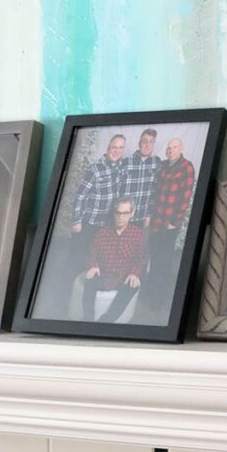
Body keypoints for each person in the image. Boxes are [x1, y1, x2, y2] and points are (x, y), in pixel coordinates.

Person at [137, 138, 195, 317]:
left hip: (170, 224)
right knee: (153, 258)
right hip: (156, 222)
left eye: (174, 148)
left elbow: (185, 198)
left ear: (181, 148)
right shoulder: (162, 165)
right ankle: (150, 291)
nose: (171, 151)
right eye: (168, 148)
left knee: (164, 261)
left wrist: (174, 221)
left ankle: (159, 299)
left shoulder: (187, 167)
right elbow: (155, 192)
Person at [82, 197, 146, 322]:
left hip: (124, 277)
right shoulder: (102, 232)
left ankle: (106, 321)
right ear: (114, 213)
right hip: (104, 275)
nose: (120, 217)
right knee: (90, 280)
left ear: (132, 214)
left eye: (125, 213)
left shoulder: (138, 234)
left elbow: (141, 258)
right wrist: (93, 265)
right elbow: (92, 253)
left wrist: (134, 273)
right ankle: (87, 320)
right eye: (118, 212)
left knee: (132, 286)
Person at [71, 135, 127, 262]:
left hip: (107, 224)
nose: (117, 151)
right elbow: (80, 195)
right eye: (114, 147)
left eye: (120, 148)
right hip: (88, 223)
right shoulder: (95, 169)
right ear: (108, 148)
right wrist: (76, 221)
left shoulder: (120, 167)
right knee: (78, 258)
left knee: (97, 260)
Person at [120, 129, 160, 227]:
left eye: (151, 142)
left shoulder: (157, 163)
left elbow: (155, 192)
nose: (147, 145)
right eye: (144, 141)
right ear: (139, 143)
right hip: (124, 217)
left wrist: (149, 215)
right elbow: (118, 190)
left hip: (143, 218)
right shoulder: (125, 162)